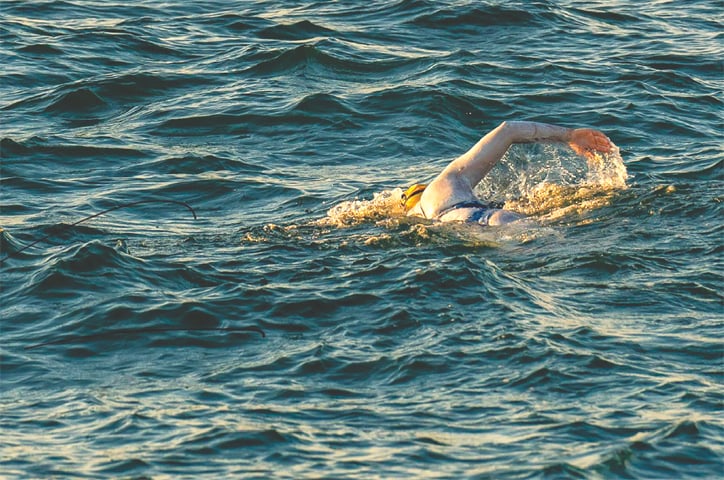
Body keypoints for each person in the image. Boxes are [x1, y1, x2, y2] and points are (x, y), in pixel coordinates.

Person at [401, 120, 613, 225]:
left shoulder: (427, 215)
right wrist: (570, 135)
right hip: (501, 219)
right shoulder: (447, 183)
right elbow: (508, 129)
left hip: (481, 230)